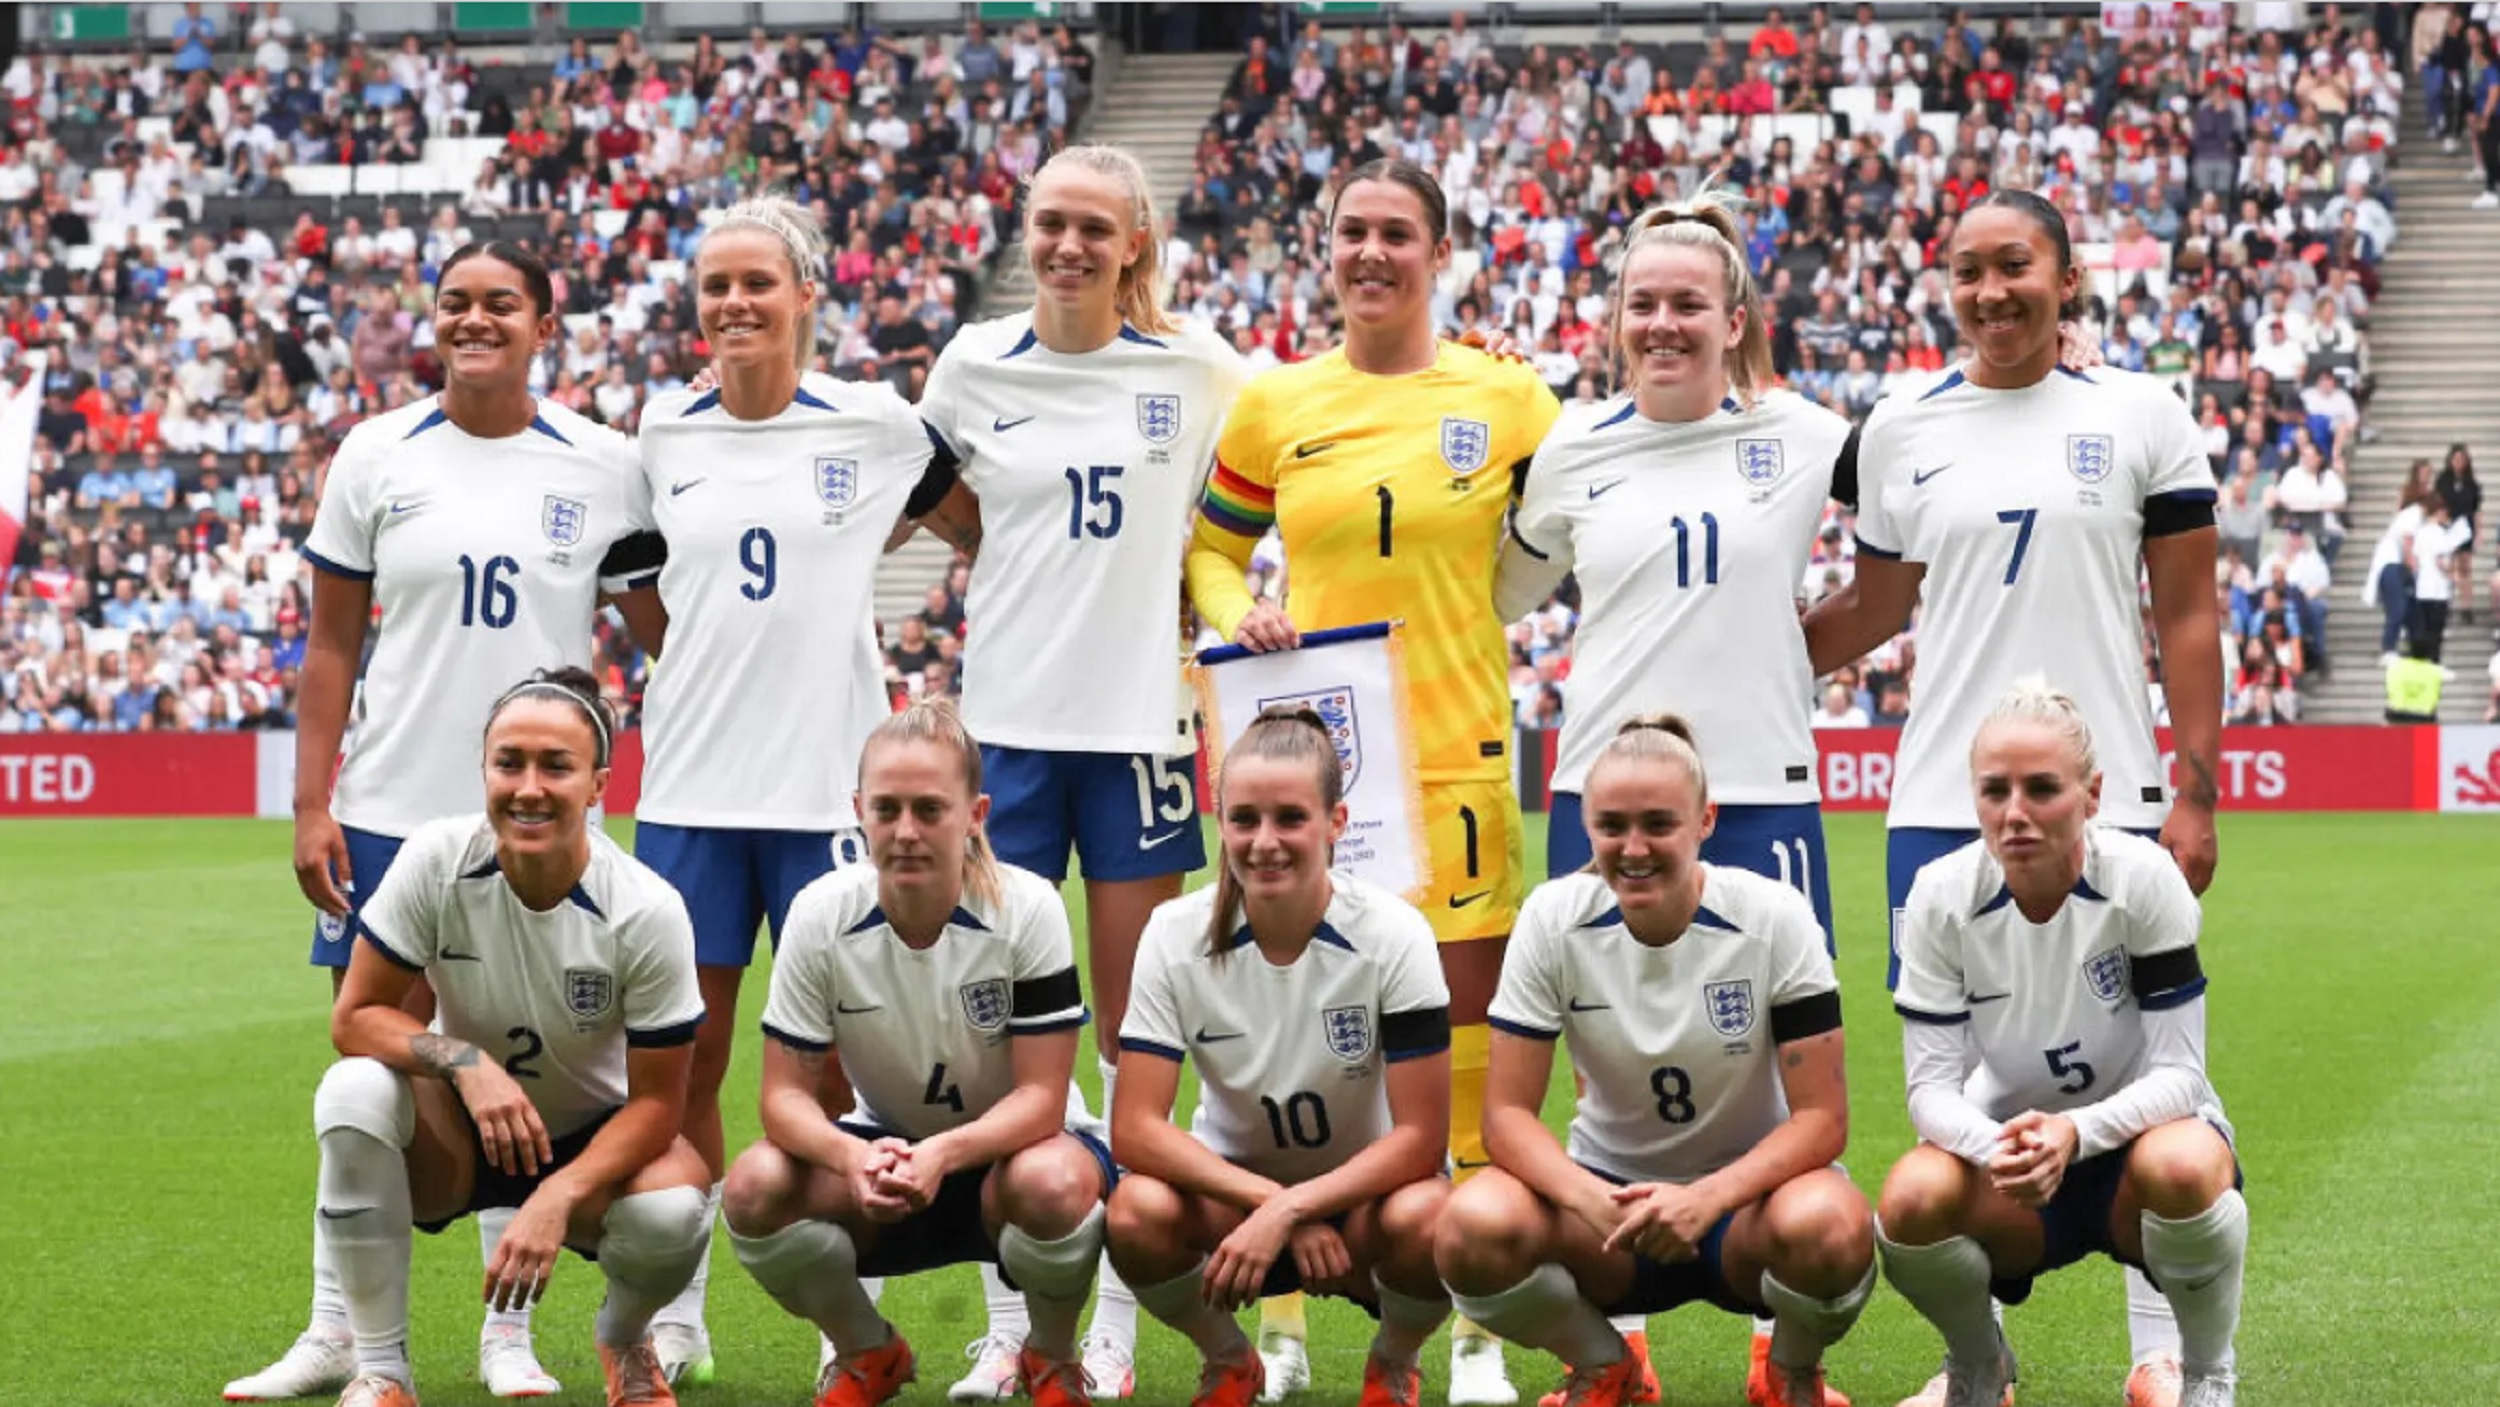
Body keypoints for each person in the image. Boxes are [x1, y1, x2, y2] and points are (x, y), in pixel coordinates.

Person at [1802, 188, 2222, 1407]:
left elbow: (2187, 613)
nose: (1992, 293)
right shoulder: (1900, 425)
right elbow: (1872, 613)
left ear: (2067, 275)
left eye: (2015, 267)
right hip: (1939, 801)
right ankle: (1976, 1361)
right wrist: (1718, 647)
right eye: (1968, 272)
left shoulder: (2142, 410)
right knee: (1963, 1084)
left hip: (2114, 801)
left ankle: (2157, 1353)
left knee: (2143, 1065)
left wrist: (2190, 796)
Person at [231, 243, 662, 1404]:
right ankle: (343, 1335)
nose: (476, 320)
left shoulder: (604, 462)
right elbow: (331, 644)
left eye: (501, 303)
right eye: (457, 303)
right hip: (388, 811)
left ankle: (506, 1336)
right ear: (436, 321)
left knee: (523, 1061)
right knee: (372, 1081)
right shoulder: (376, 453)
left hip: (534, 818)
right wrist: (314, 800)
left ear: (544, 322)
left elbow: (661, 631)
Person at [1186, 157, 1562, 1407]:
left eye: (1396, 233)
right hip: (1307, 783)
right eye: (1351, 232)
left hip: (1457, 768)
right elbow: (1211, 554)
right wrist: (1244, 619)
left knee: (1464, 1064)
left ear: (1438, 251)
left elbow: (1573, 524)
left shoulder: (1508, 396)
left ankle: (1472, 1329)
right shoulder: (1273, 402)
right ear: (1325, 248)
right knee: (1280, 1057)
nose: (1371, 253)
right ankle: (1280, 1325)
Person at [1490, 186, 1855, 1407]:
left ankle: (1773, 1334)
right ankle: (1615, 1334)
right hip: (1606, 795)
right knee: (1602, 1047)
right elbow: (1497, 596)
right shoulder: (1571, 452)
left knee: (1776, 1065)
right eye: (1640, 304)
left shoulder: (1804, 436)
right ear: (1609, 324)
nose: (1663, 324)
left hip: (1761, 790)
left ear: (1735, 318)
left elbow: (1925, 503)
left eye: (1687, 304)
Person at [914, 143, 1250, 1401]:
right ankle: (1014, 1324)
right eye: (1048, 224)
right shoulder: (971, 363)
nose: (1065, 246)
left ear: (1134, 248)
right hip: (1004, 733)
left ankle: (1108, 1327)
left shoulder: (1198, 367)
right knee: (1003, 1032)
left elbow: (1286, 455)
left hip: (1141, 733)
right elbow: (943, 502)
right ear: (1026, 232)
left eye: (1091, 229)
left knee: (1127, 1038)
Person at [624, 195, 963, 1385]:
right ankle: (679, 1308)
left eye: (756, 282)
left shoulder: (874, 423)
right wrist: (708, 667)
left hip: (830, 795)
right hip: (693, 794)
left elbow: (980, 526)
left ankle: (848, 1326)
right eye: (713, 285)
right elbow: (636, 585)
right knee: (687, 1059)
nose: (732, 304)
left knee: (835, 1071)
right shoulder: (662, 431)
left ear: (805, 294)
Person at [1436, 717, 1871, 1407]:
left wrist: (1705, 1199)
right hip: (1606, 1216)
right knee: (1470, 1225)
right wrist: (1593, 1201)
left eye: (1658, 824)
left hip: (1746, 1214)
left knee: (1833, 1225)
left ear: (1705, 820)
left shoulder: (1775, 916)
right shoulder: (1552, 918)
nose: (1632, 848)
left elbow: (1823, 1119)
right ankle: (1603, 1365)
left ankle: (1789, 1372)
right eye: (1611, 825)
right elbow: (1506, 1117)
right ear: (1585, 824)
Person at [308, 668, 711, 1407]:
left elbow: (659, 1105)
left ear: (598, 786)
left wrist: (559, 1192)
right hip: (459, 1142)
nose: (529, 787)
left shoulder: (648, 908)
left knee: (675, 1207)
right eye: (509, 762)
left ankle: (624, 1338)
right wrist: (463, 1060)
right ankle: (383, 1371)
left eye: (556, 766)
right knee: (353, 1089)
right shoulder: (436, 858)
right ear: (485, 770)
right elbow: (355, 1016)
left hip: (594, 1146)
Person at [723, 700, 1112, 1407]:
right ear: (858, 811)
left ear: (975, 813)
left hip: (1018, 1156)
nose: (905, 831)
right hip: (885, 1157)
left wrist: (940, 1154)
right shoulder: (818, 912)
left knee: (1053, 1184)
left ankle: (1050, 1354)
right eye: (888, 808)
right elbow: (782, 1096)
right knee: (752, 1187)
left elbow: (1043, 1099)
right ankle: (867, 1350)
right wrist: (853, 1157)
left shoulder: (1028, 909)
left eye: (930, 809)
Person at [1878, 680, 2244, 1407]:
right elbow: (1929, 1090)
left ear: (2092, 793)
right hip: (2011, 1167)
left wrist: (2073, 1134)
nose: (2014, 812)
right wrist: (2000, 1150)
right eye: (1994, 790)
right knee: (1910, 1201)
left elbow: (2182, 1074)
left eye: (2042, 788)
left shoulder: (2144, 879)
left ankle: (2206, 1375)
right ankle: (1979, 1367)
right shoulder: (1937, 895)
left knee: (2186, 1163)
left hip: (2134, 1156)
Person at [1108, 706, 1455, 1407]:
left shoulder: (1395, 934)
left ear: (1336, 822)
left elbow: (1422, 1138)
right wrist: (1270, 1204)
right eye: (1244, 819)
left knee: (1434, 1219)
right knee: (1134, 1212)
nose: (1264, 842)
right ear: (1220, 820)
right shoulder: (1174, 934)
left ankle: (1394, 1360)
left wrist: (1299, 1206)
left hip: (1366, 1207)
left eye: (1290, 818)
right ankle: (1231, 1358)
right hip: (1231, 1206)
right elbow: (1135, 1128)